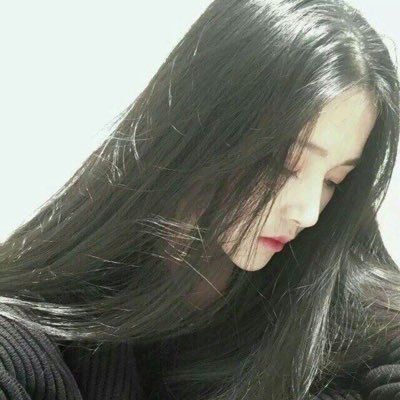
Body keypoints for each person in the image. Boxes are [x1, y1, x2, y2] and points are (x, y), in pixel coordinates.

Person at [0, 0, 399, 399]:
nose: (308, 212)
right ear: (203, 130)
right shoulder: (44, 330)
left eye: (333, 180)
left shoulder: (350, 295)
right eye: (283, 164)